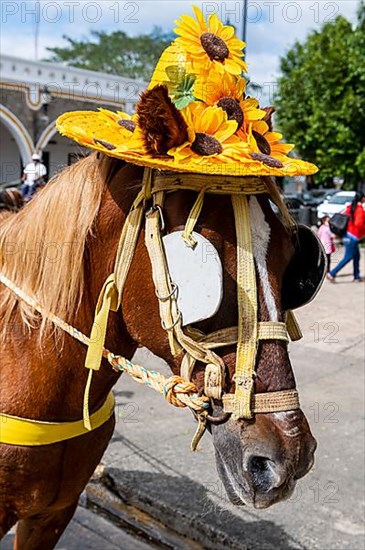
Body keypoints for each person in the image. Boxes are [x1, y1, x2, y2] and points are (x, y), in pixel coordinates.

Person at [328, 192, 365, 282]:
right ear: (362, 199)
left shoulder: (350, 207)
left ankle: (356, 276)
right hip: (353, 236)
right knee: (348, 257)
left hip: (346, 234)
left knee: (356, 256)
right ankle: (332, 273)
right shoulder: (359, 209)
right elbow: (358, 224)